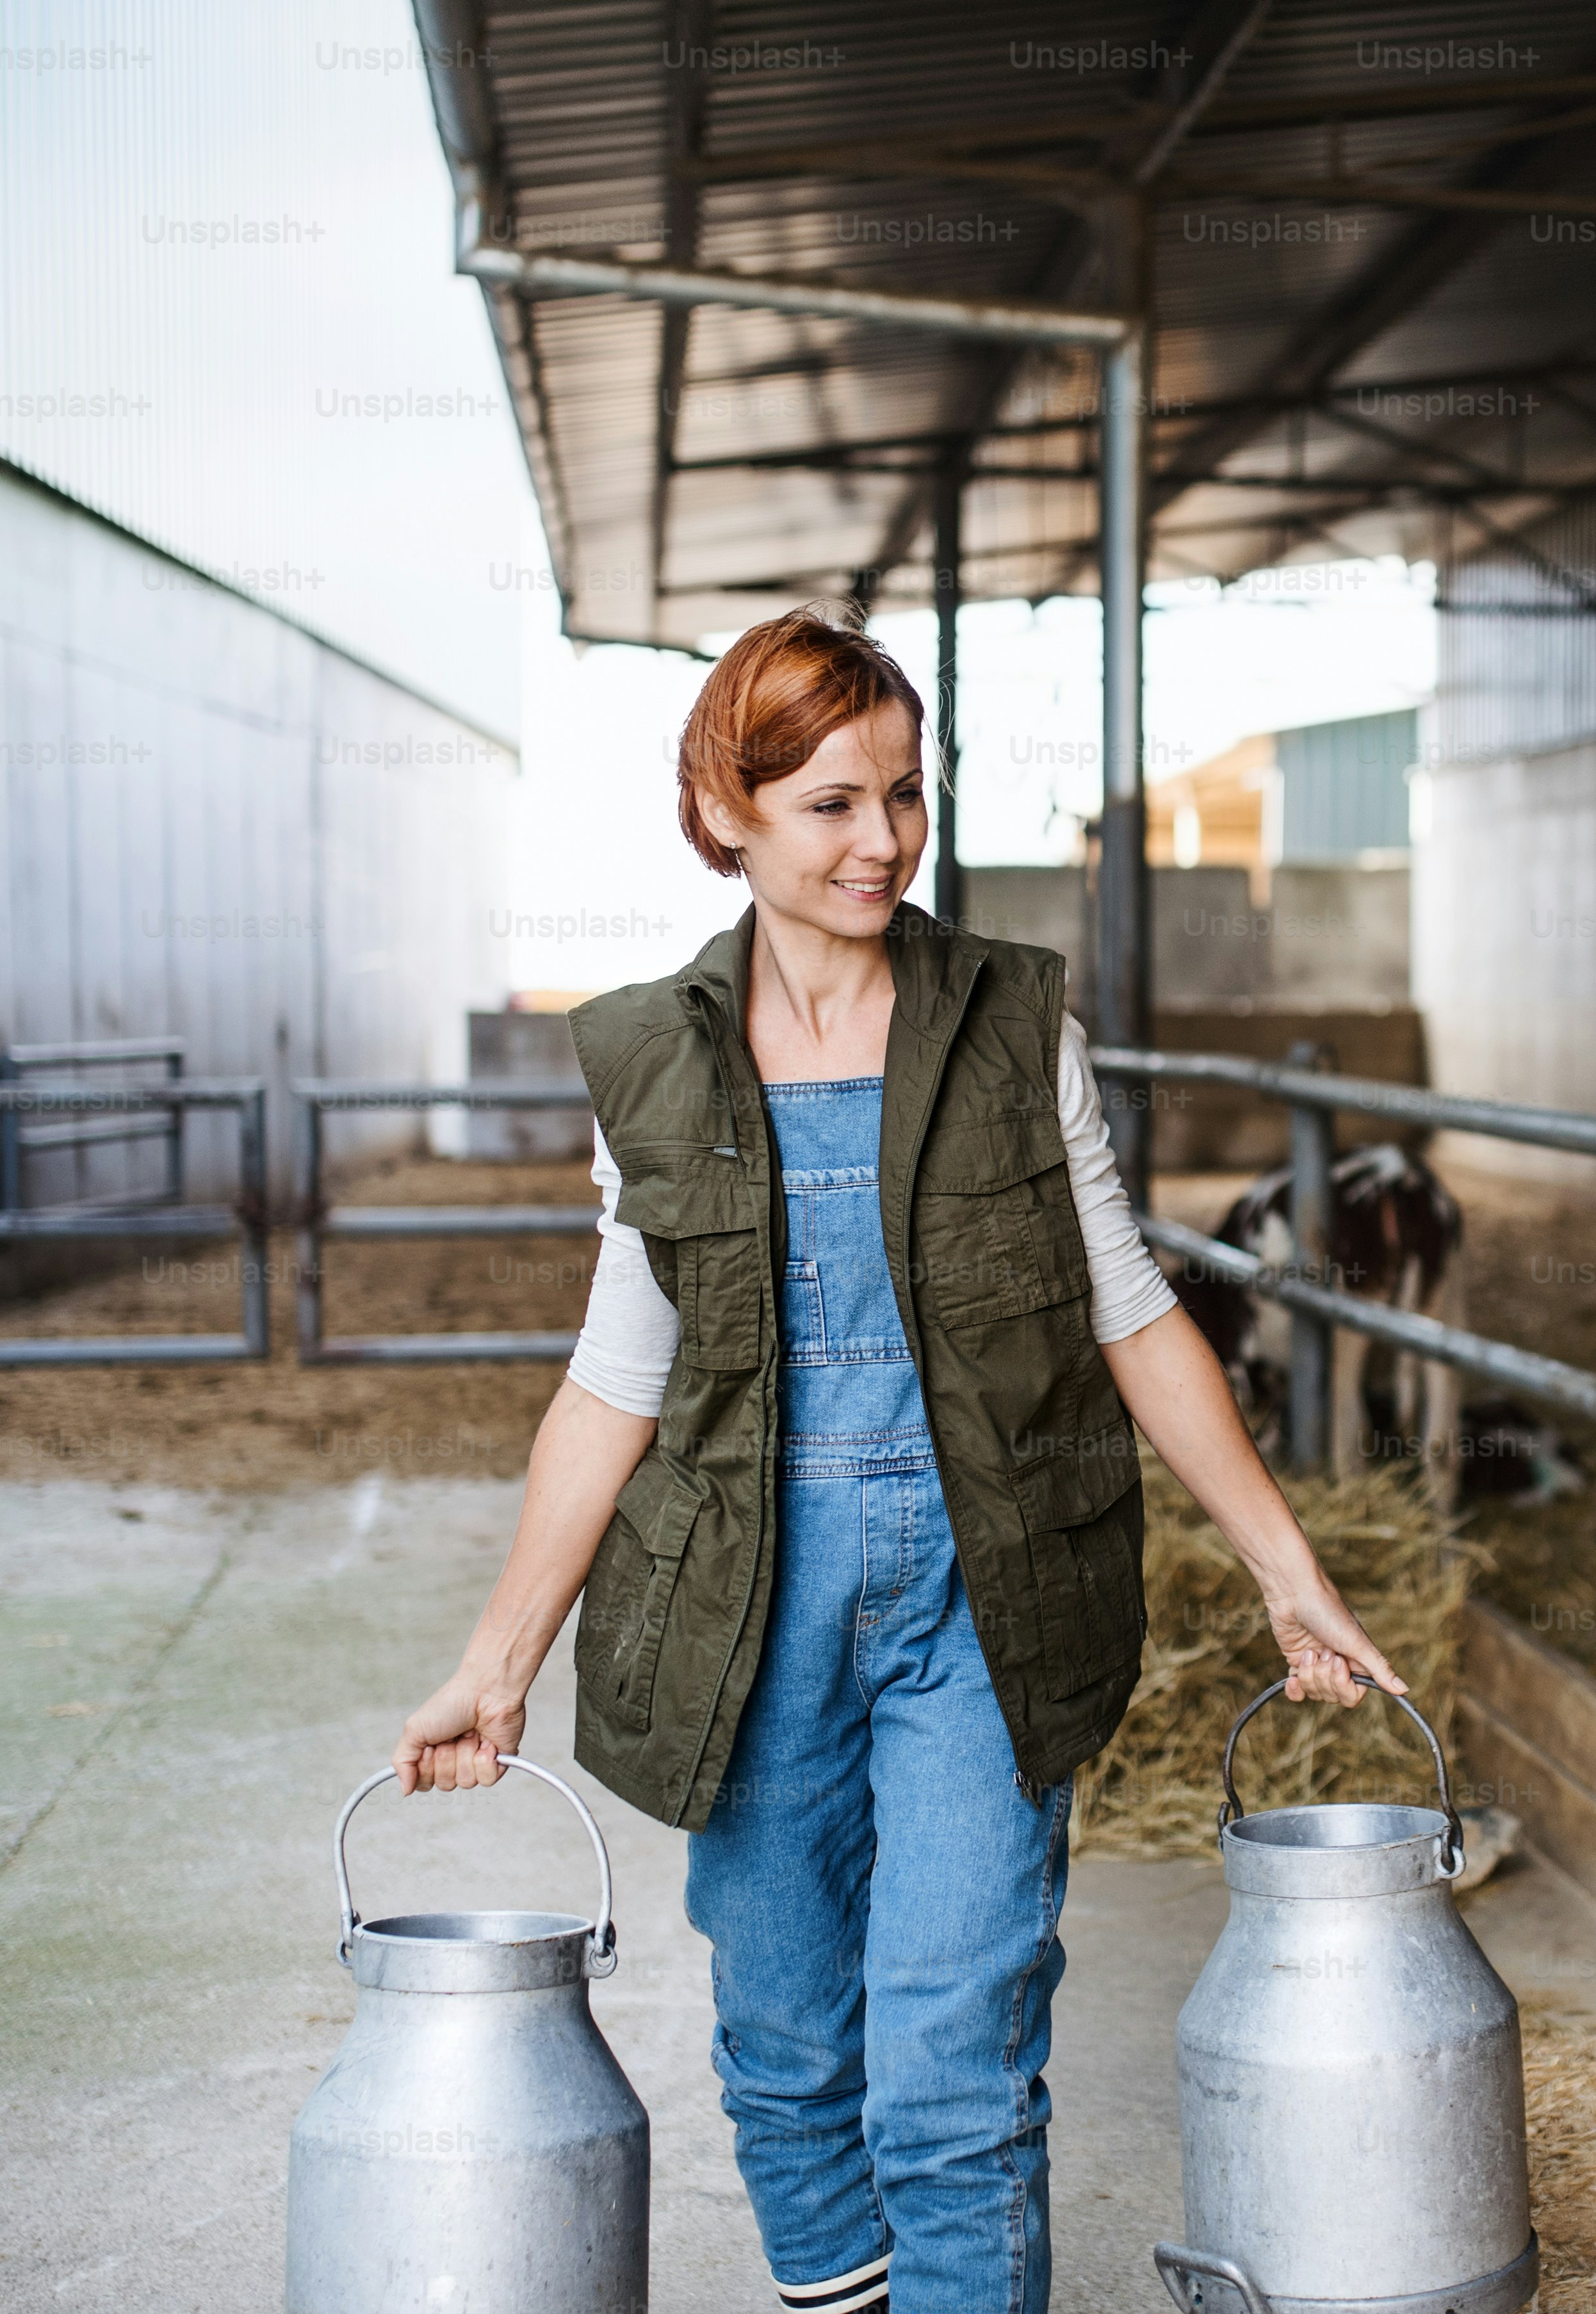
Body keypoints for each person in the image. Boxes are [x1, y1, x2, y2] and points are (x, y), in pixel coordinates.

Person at [392, 605, 1401, 2314]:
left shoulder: (1017, 1031)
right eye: (833, 805)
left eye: (906, 797)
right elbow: (614, 1382)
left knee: (954, 2076)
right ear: (727, 814)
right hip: (747, 1606)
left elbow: (1134, 1316)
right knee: (785, 2053)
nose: (885, 842)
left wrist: (1287, 1570)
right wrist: (497, 1666)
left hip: (982, 1596)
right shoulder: (650, 1059)